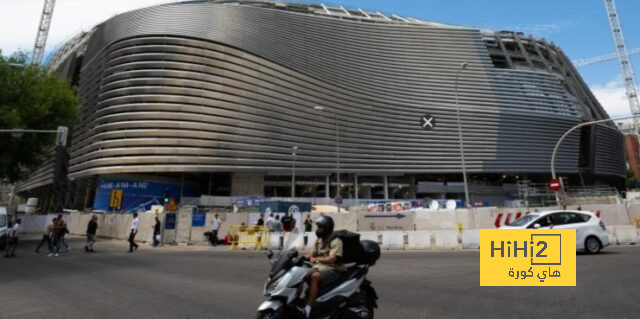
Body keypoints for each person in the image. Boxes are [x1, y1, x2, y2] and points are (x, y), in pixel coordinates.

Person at [304, 216, 345, 317]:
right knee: (301, 274)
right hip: (320, 267)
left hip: (334, 269)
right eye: (317, 227)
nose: (318, 230)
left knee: (315, 276)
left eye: (320, 227)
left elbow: (332, 259)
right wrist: (300, 257)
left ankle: (309, 307)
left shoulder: (335, 240)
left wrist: (317, 259)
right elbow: (312, 254)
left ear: (327, 228)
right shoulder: (319, 240)